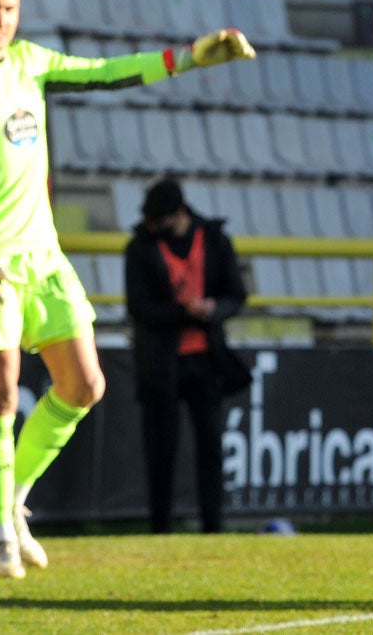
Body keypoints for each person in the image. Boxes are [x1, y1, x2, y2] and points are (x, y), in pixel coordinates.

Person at [0, 0, 256, 578]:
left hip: (43, 258)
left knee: (84, 386)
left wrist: (189, 58)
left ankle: (5, 498)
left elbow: (108, 72)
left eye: (10, 9)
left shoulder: (31, 63)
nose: (0, 21)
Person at [124, 178, 249, 534]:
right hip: (160, 362)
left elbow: (236, 294)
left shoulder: (213, 239)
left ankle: (214, 527)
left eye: (160, 220)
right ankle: (159, 527)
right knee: (161, 449)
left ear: (179, 214)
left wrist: (212, 309)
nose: (154, 228)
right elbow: (139, 306)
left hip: (206, 359)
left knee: (210, 446)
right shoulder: (139, 248)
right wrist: (185, 312)